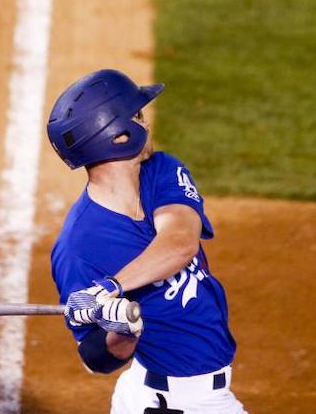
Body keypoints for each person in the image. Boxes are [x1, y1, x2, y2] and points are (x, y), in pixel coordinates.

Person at [47, 69, 248, 414]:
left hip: (174, 393)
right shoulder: (78, 248)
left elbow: (181, 242)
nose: (146, 123)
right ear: (119, 135)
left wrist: (109, 288)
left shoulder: (161, 170)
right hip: (176, 404)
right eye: (137, 115)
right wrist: (121, 331)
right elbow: (97, 358)